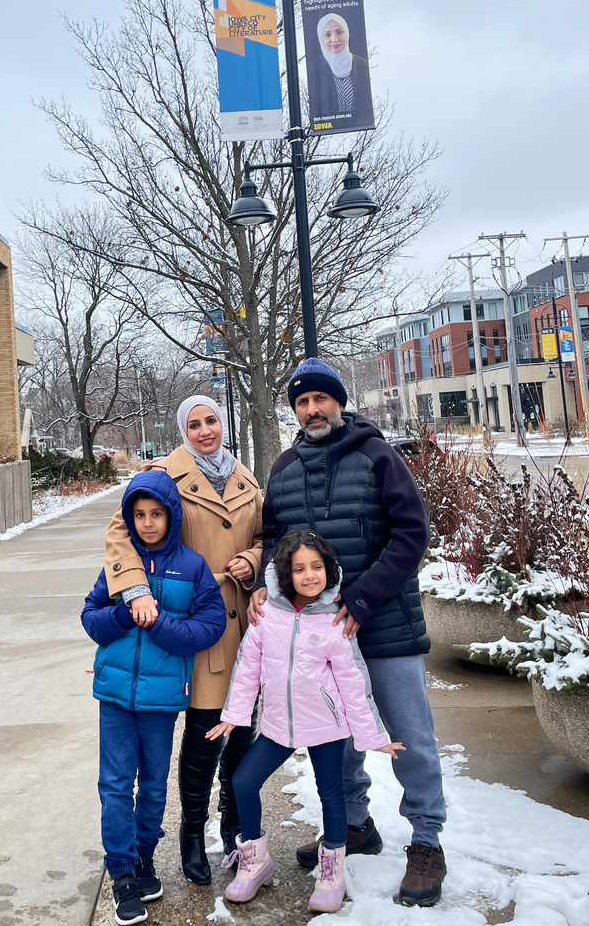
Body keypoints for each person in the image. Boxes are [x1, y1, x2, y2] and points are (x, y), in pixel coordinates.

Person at [250, 357, 447, 909]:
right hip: (318, 635)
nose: (312, 410)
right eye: (302, 402)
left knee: (409, 736)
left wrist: (361, 598)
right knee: (334, 740)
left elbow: (412, 534)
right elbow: (273, 539)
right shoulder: (285, 468)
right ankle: (357, 824)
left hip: (384, 626)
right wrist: (269, 583)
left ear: (339, 402)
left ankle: (427, 840)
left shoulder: (378, 455)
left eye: (321, 399)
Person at [104, 395, 263, 885]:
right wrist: (135, 591)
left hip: (246, 625)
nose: (204, 430)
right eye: (193, 424)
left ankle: (237, 831)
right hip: (190, 619)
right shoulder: (161, 474)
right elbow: (119, 533)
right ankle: (192, 834)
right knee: (203, 734)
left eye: (211, 420)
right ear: (182, 430)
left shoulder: (247, 479)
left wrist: (254, 563)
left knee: (242, 733)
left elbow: (266, 536)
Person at [207, 531, 404, 913]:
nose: (309, 575)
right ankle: (255, 859)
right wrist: (234, 716)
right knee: (243, 782)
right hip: (279, 725)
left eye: (316, 567)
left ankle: (331, 872)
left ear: (329, 571)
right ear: (285, 574)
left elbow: (353, 683)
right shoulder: (267, 615)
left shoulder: (335, 621)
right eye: (299, 569)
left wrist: (373, 735)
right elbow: (248, 667)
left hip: (326, 727)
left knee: (332, 796)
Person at [82, 470, 226, 925]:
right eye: (139, 514)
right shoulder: (120, 567)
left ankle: (144, 855)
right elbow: (90, 617)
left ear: (172, 516)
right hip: (115, 696)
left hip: (162, 701)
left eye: (156, 514)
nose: (147, 523)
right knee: (115, 783)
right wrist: (128, 611)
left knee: (155, 782)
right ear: (129, 517)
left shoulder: (192, 566)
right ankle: (121, 869)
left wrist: (157, 621)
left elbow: (210, 626)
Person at [308, 11, 374, 130]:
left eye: (339, 32)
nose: (334, 39)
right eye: (328, 35)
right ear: (321, 39)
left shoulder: (363, 65)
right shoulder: (313, 70)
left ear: (347, 34)